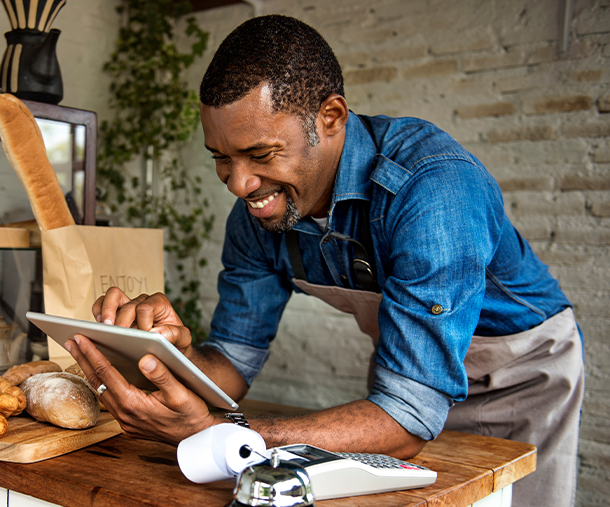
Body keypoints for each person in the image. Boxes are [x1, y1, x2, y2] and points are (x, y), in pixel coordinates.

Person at [65, 14, 583, 507]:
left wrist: (227, 436)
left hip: (520, 376)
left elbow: (405, 417)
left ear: (330, 118)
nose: (240, 184)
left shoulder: (432, 188)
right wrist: (168, 358)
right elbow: (232, 365)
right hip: (407, 380)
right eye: (222, 157)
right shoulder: (258, 214)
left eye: (262, 155)